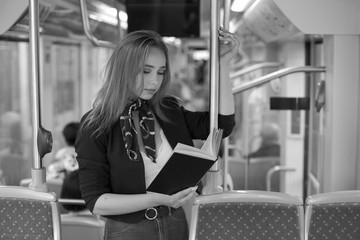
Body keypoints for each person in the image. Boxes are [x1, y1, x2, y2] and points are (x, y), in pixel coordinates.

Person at [75, 29, 239, 240]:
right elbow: (96, 201)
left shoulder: (167, 109)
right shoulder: (96, 124)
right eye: (146, 71)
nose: (155, 81)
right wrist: (155, 199)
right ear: (124, 69)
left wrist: (223, 65)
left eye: (160, 72)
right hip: (128, 231)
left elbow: (222, 125)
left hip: (175, 222)